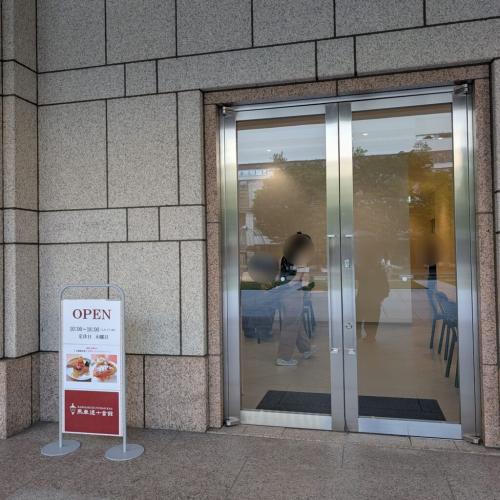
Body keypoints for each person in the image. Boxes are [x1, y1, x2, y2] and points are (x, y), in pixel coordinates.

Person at [271, 232, 317, 366]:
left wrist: (282, 287)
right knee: (291, 324)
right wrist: (294, 286)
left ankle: (306, 349)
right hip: (294, 292)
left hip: (284, 292)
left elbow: (278, 276)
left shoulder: (284, 256)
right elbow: (301, 277)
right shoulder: (301, 256)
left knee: (296, 321)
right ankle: (284, 357)